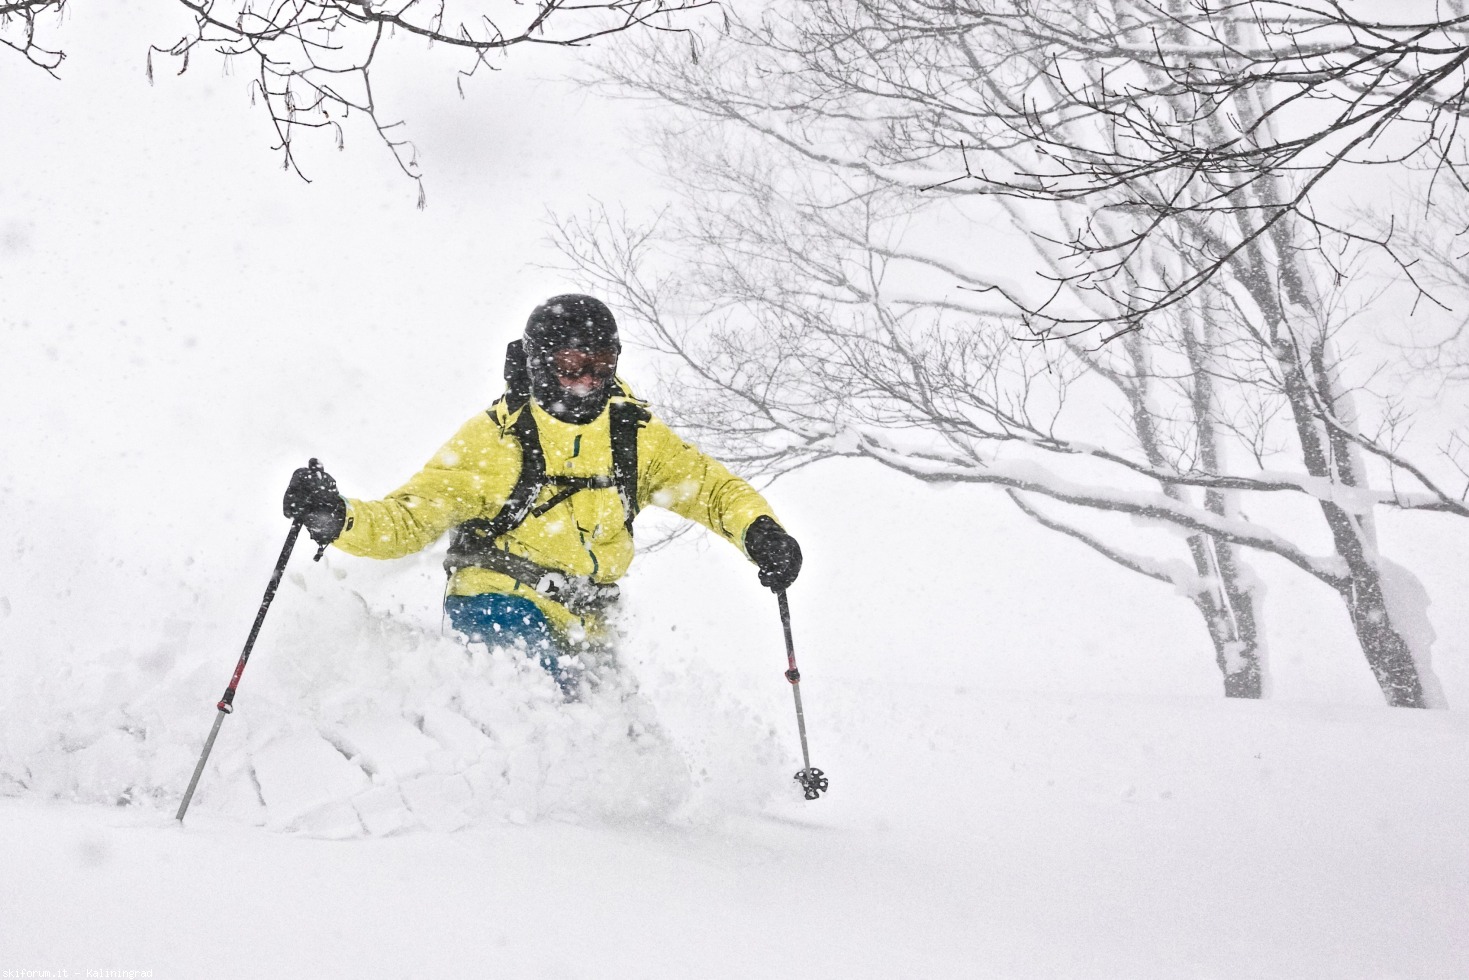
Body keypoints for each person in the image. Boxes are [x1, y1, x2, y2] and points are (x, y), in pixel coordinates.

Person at [282, 294, 802, 697]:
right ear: (538, 363)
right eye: (572, 365)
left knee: (626, 749)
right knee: (554, 715)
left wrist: (760, 531)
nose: (588, 382)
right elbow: (410, 518)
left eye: (602, 364)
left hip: (588, 619)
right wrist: (338, 518)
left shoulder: (632, 436)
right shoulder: (496, 442)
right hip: (500, 603)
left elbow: (710, 490)